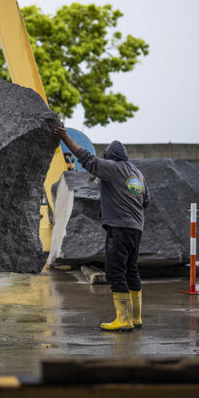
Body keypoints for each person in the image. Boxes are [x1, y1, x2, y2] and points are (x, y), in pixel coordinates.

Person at [53, 126, 150, 332]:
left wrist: (65, 137)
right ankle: (136, 316)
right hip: (136, 229)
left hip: (119, 228)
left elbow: (86, 158)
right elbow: (146, 201)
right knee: (131, 270)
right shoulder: (137, 174)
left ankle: (123, 319)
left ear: (110, 158)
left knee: (116, 272)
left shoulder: (113, 168)